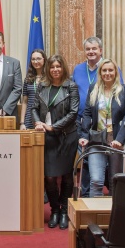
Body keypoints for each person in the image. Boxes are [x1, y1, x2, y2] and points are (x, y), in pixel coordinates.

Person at [71, 37, 123, 196]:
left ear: (101, 50)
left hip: (107, 125)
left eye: (94, 49)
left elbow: (119, 94)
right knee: (86, 160)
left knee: (105, 164)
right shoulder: (78, 69)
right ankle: (86, 195)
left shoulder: (110, 68)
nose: (91, 52)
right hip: (84, 122)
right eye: (88, 49)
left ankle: (105, 194)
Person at [32, 54, 79, 229]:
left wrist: (54, 127)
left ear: (63, 68)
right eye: (52, 67)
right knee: (50, 177)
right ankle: (54, 210)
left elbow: (73, 113)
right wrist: (38, 122)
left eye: (58, 66)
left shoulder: (71, 87)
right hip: (47, 137)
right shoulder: (42, 86)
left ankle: (65, 211)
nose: (55, 70)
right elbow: (34, 107)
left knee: (66, 176)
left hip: (66, 136)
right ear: (48, 69)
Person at [78, 59, 125, 197]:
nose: (107, 73)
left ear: (116, 72)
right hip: (96, 139)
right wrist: (84, 136)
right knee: (96, 180)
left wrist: (120, 140)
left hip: (116, 140)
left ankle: (115, 215)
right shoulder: (93, 88)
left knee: (115, 181)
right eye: (104, 70)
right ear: (100, 72)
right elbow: (86, 114)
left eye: (111, 70)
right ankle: (94, 215)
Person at [21, 49, 46, 130]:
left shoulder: (49, 79)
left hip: (44, 118)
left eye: (38, 58)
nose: (36, 61)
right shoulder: (28, 79)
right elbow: (24, 102)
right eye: (33, 59)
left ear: (44, 59)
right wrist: (22, 123)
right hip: (29, 119)